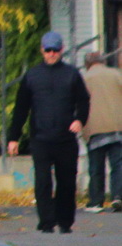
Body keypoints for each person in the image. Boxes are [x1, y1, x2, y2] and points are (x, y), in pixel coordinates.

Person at [7, 32, 91, 233]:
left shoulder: (71, 74)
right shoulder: (32, 76)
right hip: (40, 137)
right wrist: (13, 138)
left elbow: (83, 100)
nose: (51, 54)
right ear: (42, 51)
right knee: (43, 181)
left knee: (67, 181)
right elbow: (21, 108)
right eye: (48, 50)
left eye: (55, 50)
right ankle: (46, 221)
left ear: (61, 50)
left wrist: (80, 120)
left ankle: (65, 221)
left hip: (65, 138)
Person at [80, 51, 122, 212]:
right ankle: (118, 196)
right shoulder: (116, 74)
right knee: (118, 164)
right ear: (103, 62)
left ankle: (96, 201)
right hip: (117, 126)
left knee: (96, 167)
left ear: (87, 64)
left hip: (94, 128)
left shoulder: (84, 79)